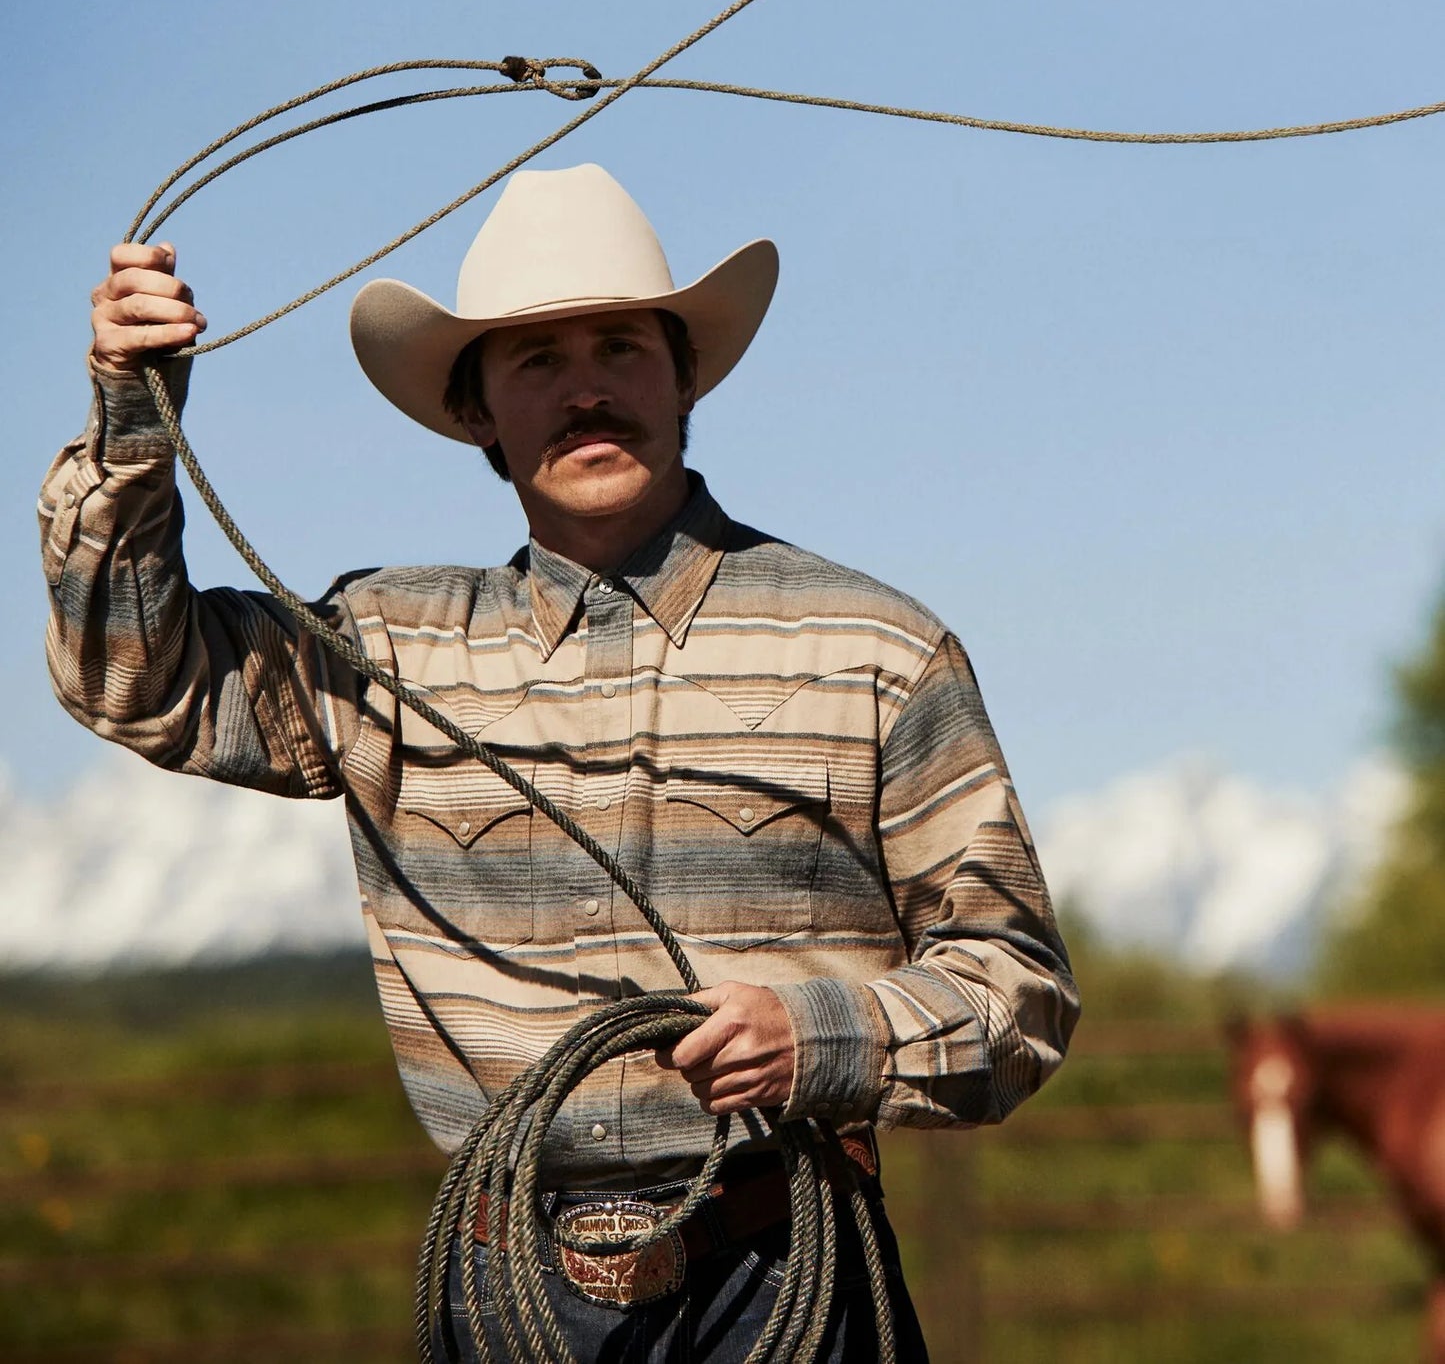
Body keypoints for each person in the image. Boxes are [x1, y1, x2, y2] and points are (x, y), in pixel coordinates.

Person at [43, 162, 1078, 1360]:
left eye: (619, 347)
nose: (586, 388)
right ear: (477, 408)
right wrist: (130, 413)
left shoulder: (873, 648)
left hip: (788, 1266)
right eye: (536, 357)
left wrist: (824, 1034)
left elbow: (1019, 989)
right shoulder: (386, 647)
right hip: (505, 1288)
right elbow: (134, 673)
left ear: (683, 373)